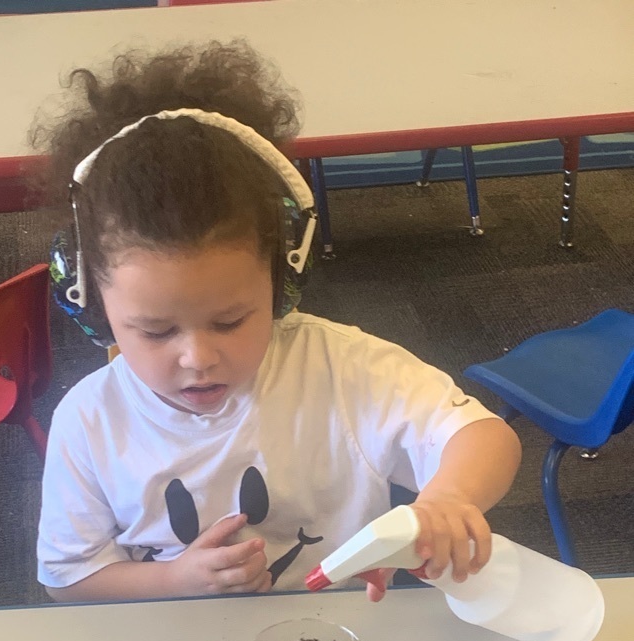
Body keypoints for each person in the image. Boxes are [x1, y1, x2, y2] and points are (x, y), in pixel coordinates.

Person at [33, 40, 521, 604]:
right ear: (92, 305)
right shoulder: (91, 422)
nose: (198, 357)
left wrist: (449, 497)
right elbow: (68, 580)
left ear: (282, 281)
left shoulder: (340, 370)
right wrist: (174, 579)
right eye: (157, 332)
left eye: (231, 320)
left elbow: (485, 436)